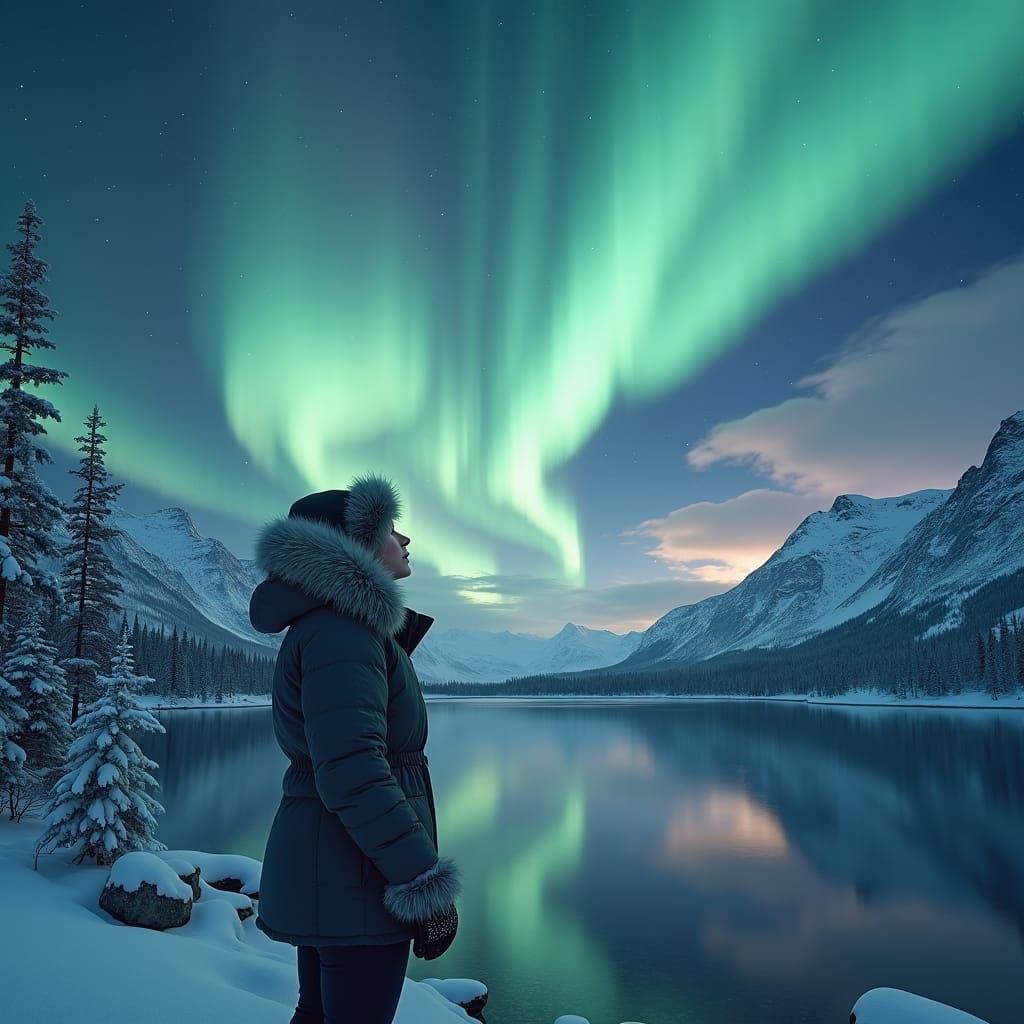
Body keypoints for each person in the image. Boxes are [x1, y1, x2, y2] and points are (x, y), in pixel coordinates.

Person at [248, 472, 462, 1024]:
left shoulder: (334, 626)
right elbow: (353, 771)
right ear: (355, 544)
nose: (404, 539)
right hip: (356, 880)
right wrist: (421, 880)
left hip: (337, 870)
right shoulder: (344, 632)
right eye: (391, 528)